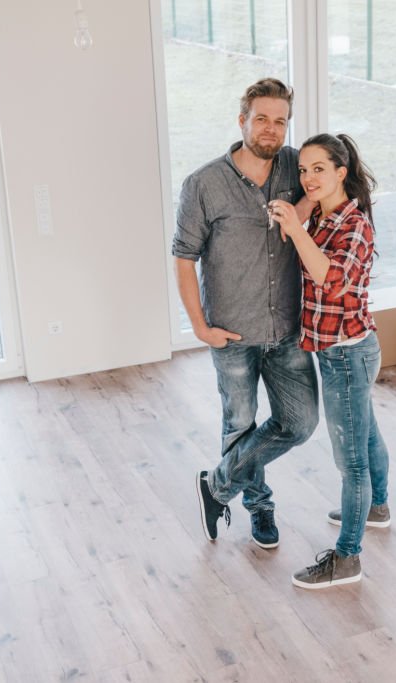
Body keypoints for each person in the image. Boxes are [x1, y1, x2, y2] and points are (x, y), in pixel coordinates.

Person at [173, 78, 319, 549]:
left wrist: (307, 199)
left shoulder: (297, 167)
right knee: (240, 425)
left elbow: (334, 178)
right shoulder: (203, 184)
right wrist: (199, 327)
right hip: (232, 333)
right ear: (242, 121)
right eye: (263, 118)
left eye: (281, 121)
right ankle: (259, 507)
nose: (272, 129)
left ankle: (215, 487)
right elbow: (183, 257)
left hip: (288, 329)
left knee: (300, 423)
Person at [267, 133, 391, 589]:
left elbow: (332, 282)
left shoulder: (353, 225)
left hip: (347, 355)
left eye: (320, 168)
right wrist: (300, 213)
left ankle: (348, 558)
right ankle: (377, 507)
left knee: (351, 460)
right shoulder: (321, 215)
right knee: (368, 432)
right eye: (303, 169)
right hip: (342, 350)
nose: (308, 177)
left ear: (342, 172)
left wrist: (297, 228)